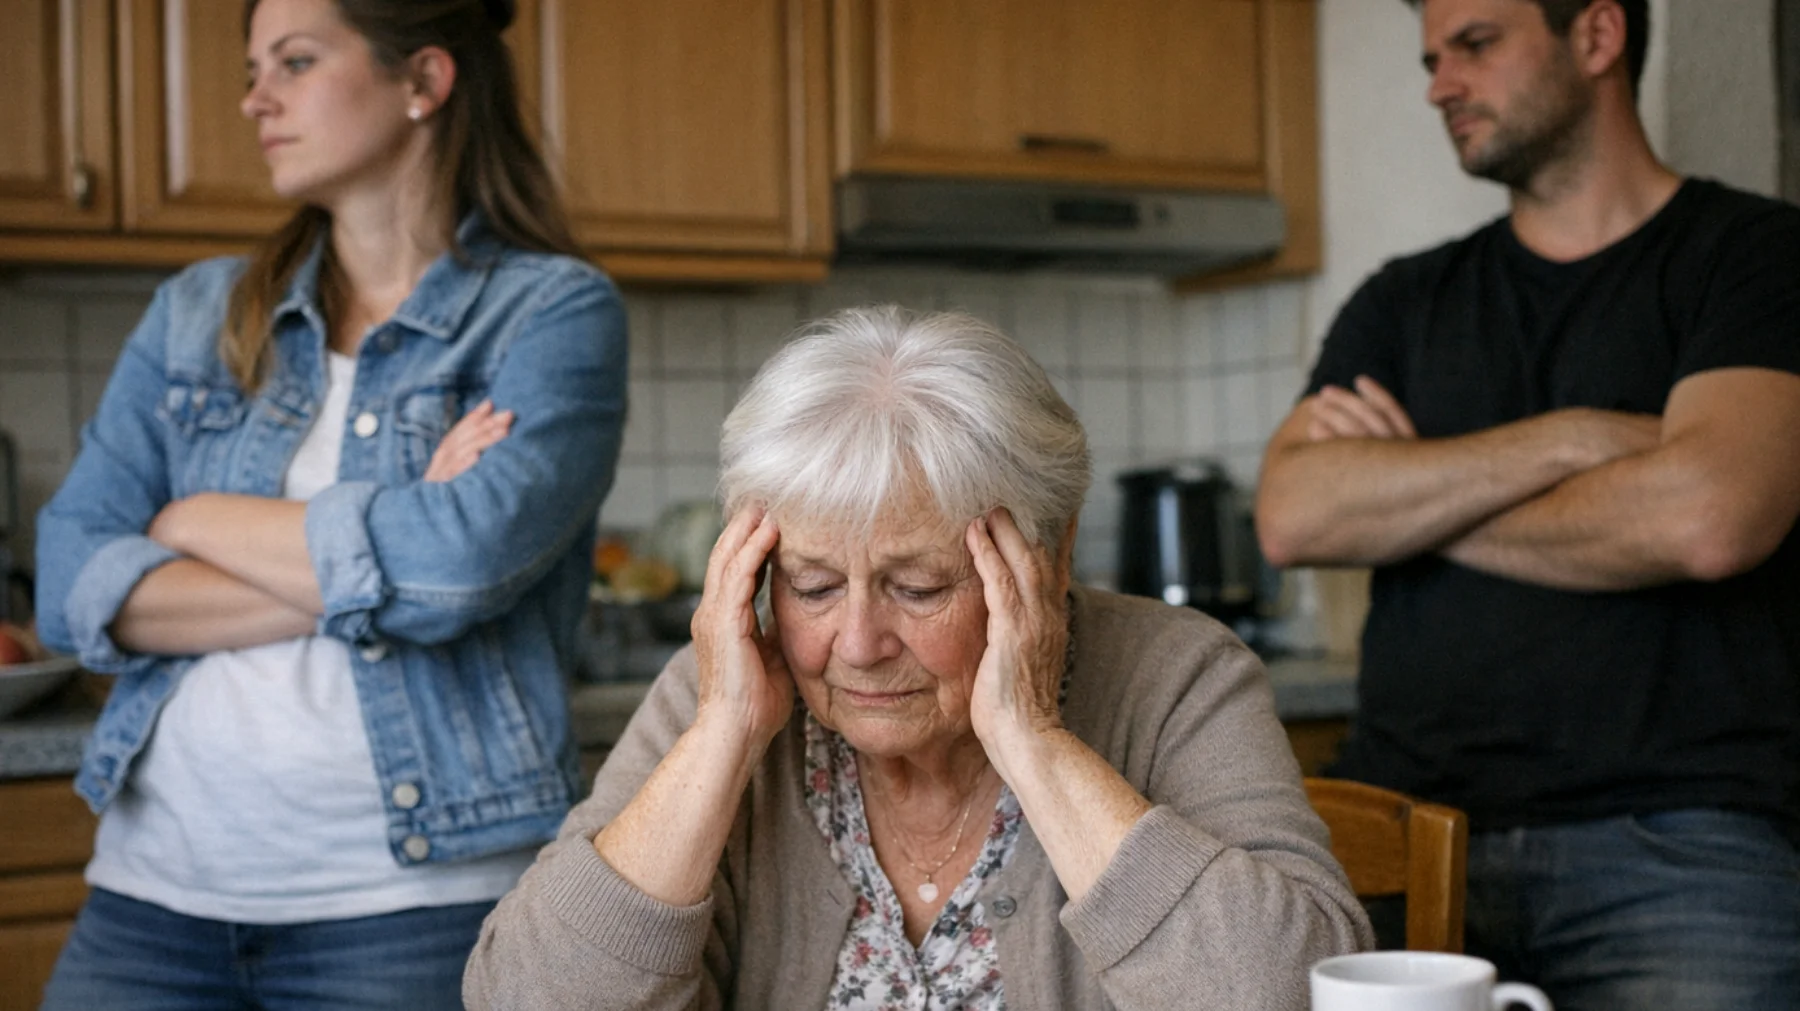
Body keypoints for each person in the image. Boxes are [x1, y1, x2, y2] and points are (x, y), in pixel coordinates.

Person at [464, 306, 1370, 1011]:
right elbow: (522, 997)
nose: (856, 645)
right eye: (812, 586)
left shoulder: (1177, 675)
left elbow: (1300, 992)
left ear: (1048, 557)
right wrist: (720, 737)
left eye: (921, 586)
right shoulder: (726, 682)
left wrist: (1032, 739)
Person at [32, 0, 627, 1005]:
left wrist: (184, 524)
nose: (254, 97)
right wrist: (393, 517)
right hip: (150, 903)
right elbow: (69, 580)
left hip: (414, 911)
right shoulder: (196, 313)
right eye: (255, 66)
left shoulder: (551, 311)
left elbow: (456, 569)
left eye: (295, 62)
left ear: (423, 82)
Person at [1255, 0, 1800, 1007]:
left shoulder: (1759, 257)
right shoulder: (1402, 301)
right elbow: (1294, 515)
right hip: (1399, 831)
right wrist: (1581, 438)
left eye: (1476, 44)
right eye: (1430, 58)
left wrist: (1413, 487)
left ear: (1596, 37)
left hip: (1677, 847)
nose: (1438, 86)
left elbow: (1711, 517)